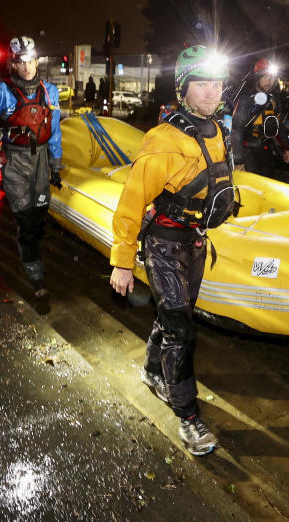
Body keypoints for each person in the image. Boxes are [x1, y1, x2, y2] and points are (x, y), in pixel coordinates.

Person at [109, 45, 237, 456]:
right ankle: (188, 416)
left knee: (173, 317)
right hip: (164, 244)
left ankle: (151, 371)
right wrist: (123, 262)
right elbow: (131, 202)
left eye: (217, 84)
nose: (212, 92)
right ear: (184, 89)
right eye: (202, 84)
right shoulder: (163, 140)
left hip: (195, 242)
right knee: (182, 330)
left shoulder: (218, 131)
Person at [0, 36, 63, 301]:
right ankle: (36, 274)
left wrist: (56, 164)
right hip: (16, 162)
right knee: (24, 216)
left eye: (31, 60)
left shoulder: (50, 91)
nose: (27, 66)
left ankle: (32, 248)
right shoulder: (0, 93)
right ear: (14, 64)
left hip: (42, 159)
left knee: (40, 210)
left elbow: (54, 131)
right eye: (21, 62)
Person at [229, 57, 289, 174]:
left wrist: (287, 148)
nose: (270, 80)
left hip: (266, 152)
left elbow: (279, 127)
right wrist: (238, 160)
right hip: (248, 153)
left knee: (267, 186)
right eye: (266, 76)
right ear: (258, 77)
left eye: (272, 77)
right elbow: (236, 130)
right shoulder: (246, 99)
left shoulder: (274, 100)